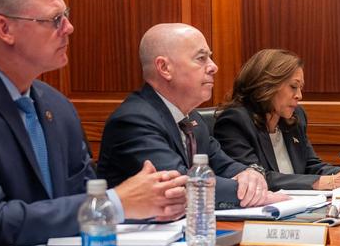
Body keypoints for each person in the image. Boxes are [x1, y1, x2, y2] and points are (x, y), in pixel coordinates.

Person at [0, 0, 187, 246]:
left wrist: (149, 206)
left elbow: (84, 199)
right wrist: (116, 202)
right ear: (5, 29)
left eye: (66, 15)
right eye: (54, 20)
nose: (69, 28)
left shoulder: (57, 105)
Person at [97, 24, 278, 209]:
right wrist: (249, 191)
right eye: (201, 58)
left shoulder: (192, 119)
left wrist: (250, 174)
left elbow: (224, 165)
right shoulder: (134, 120)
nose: (213, 67)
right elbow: (179, 183)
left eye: (210, 57)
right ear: (164, 67)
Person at [214, 49, 340, 190]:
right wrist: (328, 182)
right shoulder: (235, 122)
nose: (299, 96)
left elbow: (311, 166)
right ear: (267, 85)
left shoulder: (294, 118)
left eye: (300, 88)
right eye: (293, 87)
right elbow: (257, 178)